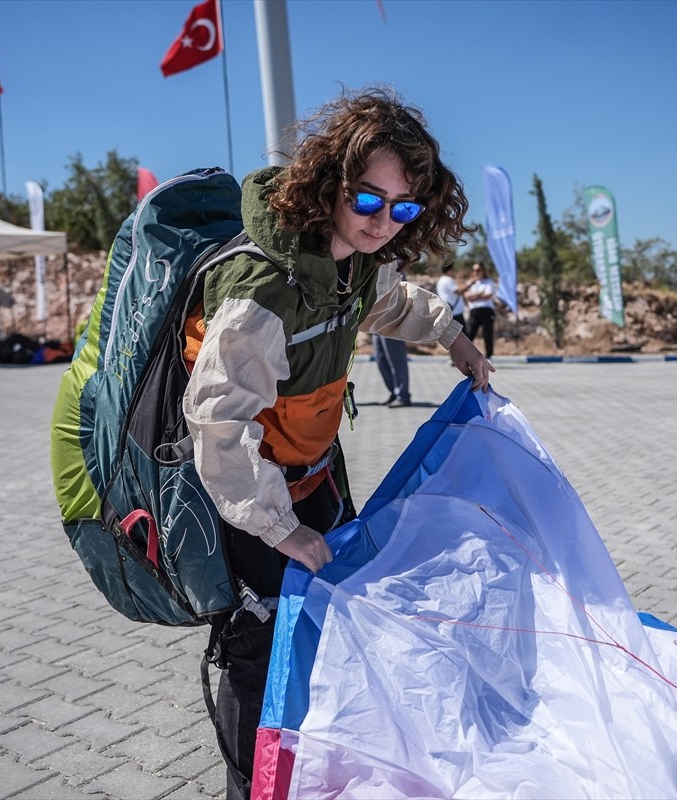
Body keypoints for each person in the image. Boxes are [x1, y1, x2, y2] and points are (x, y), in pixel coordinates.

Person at [181, 85, 493, 800]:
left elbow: (393, 304)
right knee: (258, 652)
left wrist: (452, 338)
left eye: (403, 207)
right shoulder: (262, 288)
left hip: (313, 482)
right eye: (368, 200)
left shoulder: (351, 263)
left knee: (326, 630)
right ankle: (250, 789)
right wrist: (280, 531)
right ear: (329, 185)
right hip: (254, 504)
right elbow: (219, 425)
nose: (384, 221)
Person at [462, 261, 497, 356]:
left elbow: (488, 295)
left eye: (478, 270)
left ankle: (489, 356)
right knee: (469, 334)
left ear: (483, 270)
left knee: (488, 334)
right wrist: (479, 294)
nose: (476, 272)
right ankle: (463, 356)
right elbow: (467, 296)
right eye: (474, 270)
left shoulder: (489, 282)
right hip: (474, 311)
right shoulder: (470, 283)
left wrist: (474, 297)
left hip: (486, 310)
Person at [372, 332, 411, 407]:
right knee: (381, 361)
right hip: (375, 328)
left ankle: (402, 396)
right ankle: (394, 393)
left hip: (390, 325)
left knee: (397, 362)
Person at [435, 261, 466, 326]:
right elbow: (459, 292)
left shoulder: (441, 280)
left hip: (450, 312)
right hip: (456, 313)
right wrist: (471, 284)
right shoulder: (448, 279)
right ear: (449, 270)